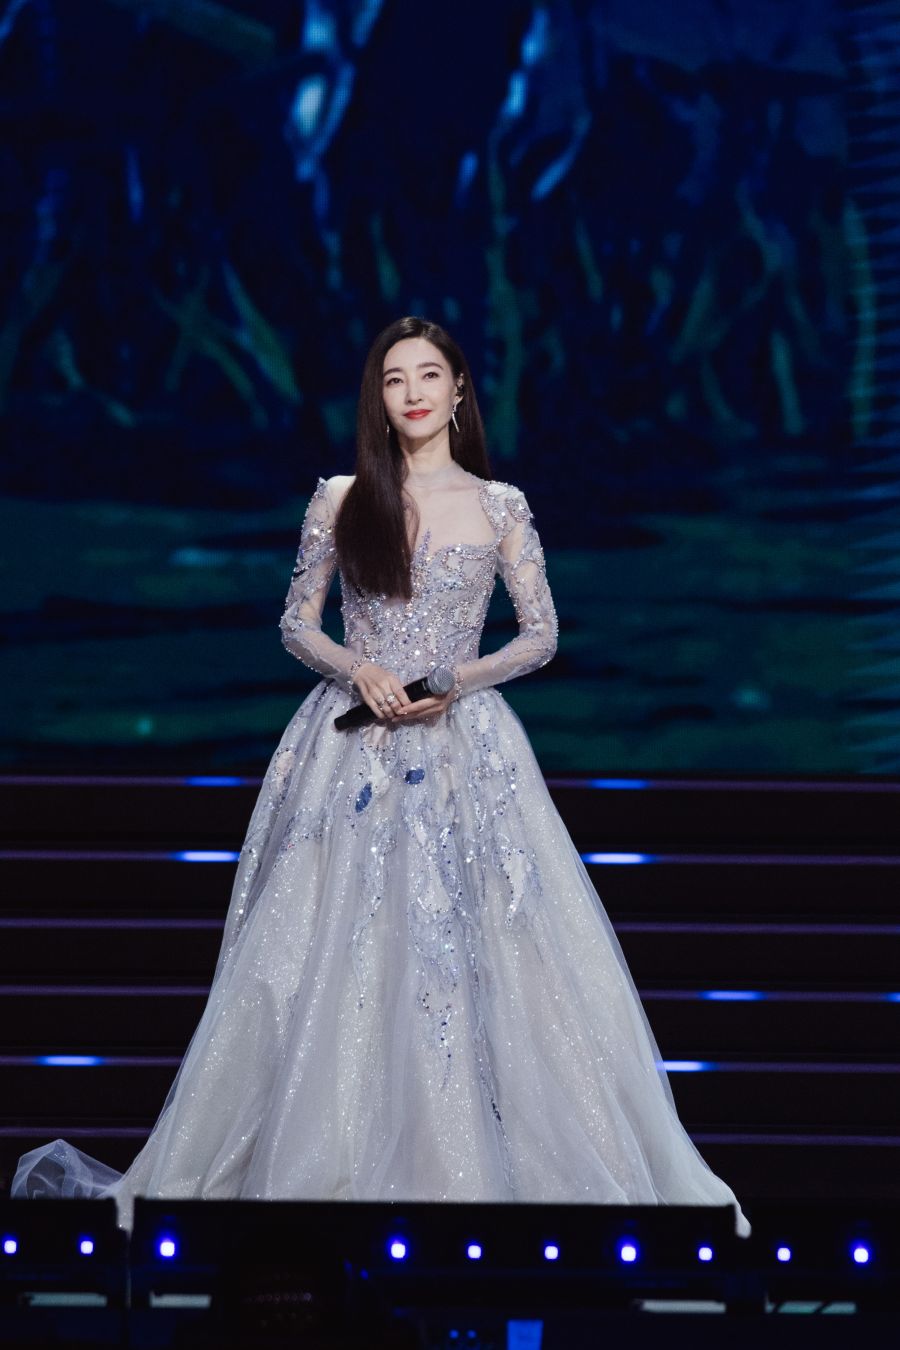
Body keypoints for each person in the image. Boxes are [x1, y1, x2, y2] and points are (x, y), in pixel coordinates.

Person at [13, 315, 750, 1237]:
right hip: (351, 746)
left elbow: (542, 634)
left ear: (459, 389)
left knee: (488, 952)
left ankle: (474, 1173)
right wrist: (355, 666)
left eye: (429, 375)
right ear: (380, 397)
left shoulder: (500, 505)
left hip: (464, 750)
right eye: (395, 379)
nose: (412, 393)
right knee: (329, 948)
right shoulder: (342, 497)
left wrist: (455, 680)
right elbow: (297, 621)